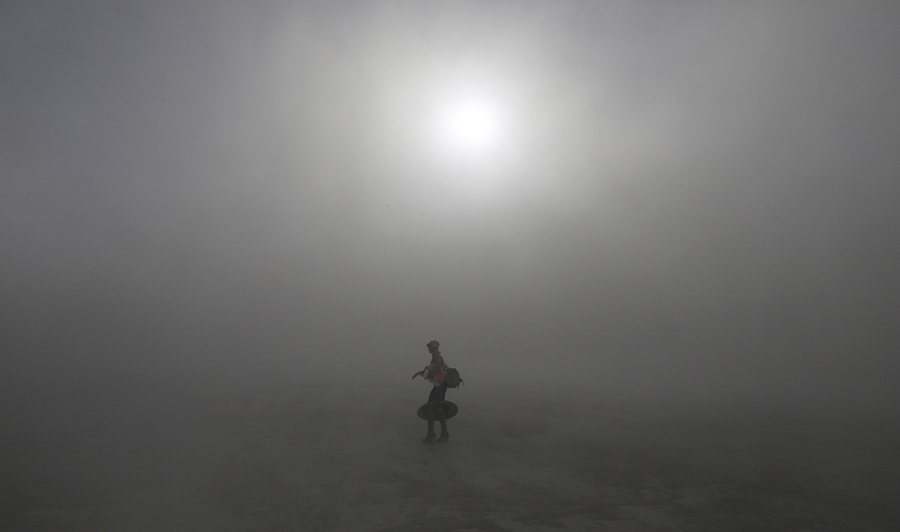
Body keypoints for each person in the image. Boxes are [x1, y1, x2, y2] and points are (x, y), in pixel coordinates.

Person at [412, 340, 450, 443]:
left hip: (439, 387)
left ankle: (432, 434)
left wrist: (428, 373)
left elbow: (437, 367)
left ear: (432, 348)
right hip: (440, 386)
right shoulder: (436, 356)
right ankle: (443, 434)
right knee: (438, 407)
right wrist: (420, 373)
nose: (428, 349)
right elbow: (434, 368)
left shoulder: (436, 356)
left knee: (431, 407)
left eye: (429, 347)